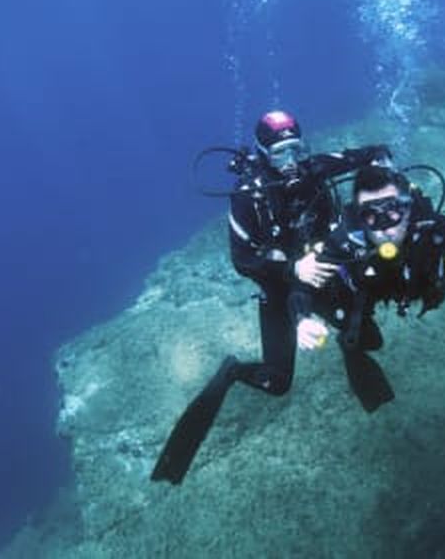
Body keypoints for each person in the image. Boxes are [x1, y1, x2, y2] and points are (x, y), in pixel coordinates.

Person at [151, 111, 392, 485]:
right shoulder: (248, 196)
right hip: (280, 290)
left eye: (296, 150)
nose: (292, 162)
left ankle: (350, 353)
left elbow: (365, 154)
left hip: (323, 277)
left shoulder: (313, 169)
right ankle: (232, 371)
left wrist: (382, 161)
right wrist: (292, 270)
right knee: (278, 383)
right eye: (280, 154)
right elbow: (242, 260)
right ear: (263, 154)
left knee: (368, 338)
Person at [290, 164, 445, 413]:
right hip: (368, 288)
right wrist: (301, 319)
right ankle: (351, 350)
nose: (385, 228)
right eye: (370, 214)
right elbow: (300, 288)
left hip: (419, 282)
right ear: (358, 215)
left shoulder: (431, 225)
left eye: (392, 210)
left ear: (408, 207)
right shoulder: (346, 239)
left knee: (436, 294)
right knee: (366, 340)